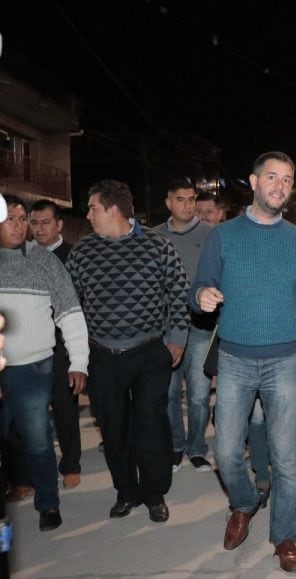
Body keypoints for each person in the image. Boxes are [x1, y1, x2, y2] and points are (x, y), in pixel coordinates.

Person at [190, 151, 296, 573]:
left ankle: (284, 536)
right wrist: (203, 296)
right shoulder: (223, 235)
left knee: (285, 458)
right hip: (234, 359)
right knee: (226, 451)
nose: (280, 185)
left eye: (287, 178)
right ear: (253, 181)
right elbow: (201, 284)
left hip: (285, 360)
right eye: (272, 177)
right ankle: (244, 502)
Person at [67, 180, 190, 524]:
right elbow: (71, 307)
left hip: (149, 352)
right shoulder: (82, 252)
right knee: (113, 428)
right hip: (102, 356)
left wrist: (177, 339)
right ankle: (127, 492)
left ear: (113, 210)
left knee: (150, 426)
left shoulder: (157, 245)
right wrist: (78, 354)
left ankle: (155, 493)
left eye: (93, 208)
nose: (88, 215)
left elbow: (179, 293)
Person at [0, 195, 89, 531]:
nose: (20, 225)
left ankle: (48, 503)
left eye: (23, 219)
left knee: (37, 439)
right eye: (11, 218)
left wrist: (78, 360)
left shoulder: (46, 263)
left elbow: (70, 313)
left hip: (33, 369)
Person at [154, 179, 215, 473]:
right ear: (168, 202)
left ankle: (197, 448)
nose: (187, 205)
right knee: (168, 393)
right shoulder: (153, 237)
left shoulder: (211, 235)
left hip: (201, 327)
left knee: (200, 395)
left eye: (191, 199)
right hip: (165, 329)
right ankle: (176, 446)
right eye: (180, 199)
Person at [29, 199, 84, 489]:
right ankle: (28, 472)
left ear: (59, 224)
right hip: (31, 343)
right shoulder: (22, 256)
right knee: (31, 410)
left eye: (45, 222)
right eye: (34, 223)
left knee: (65, 406)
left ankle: (71, 465)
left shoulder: (73, 256)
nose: (39, 229)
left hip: (63, 343)